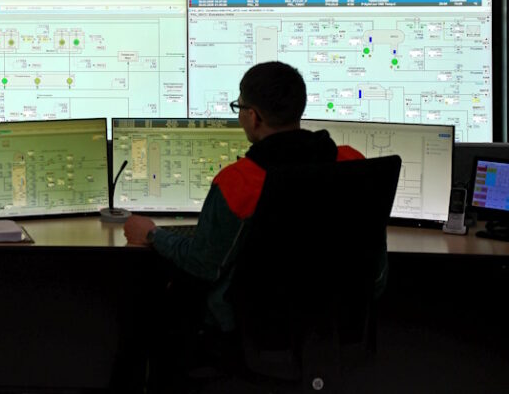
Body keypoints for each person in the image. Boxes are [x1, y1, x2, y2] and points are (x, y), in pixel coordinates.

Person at [123, 61, 383, 332]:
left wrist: (153, 234)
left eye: (239, 107)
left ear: (253, 116)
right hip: (337, 323)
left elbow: (203, 266)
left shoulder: (239, 182)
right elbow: (375, 266)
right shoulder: (352, 163)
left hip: (255, 330)